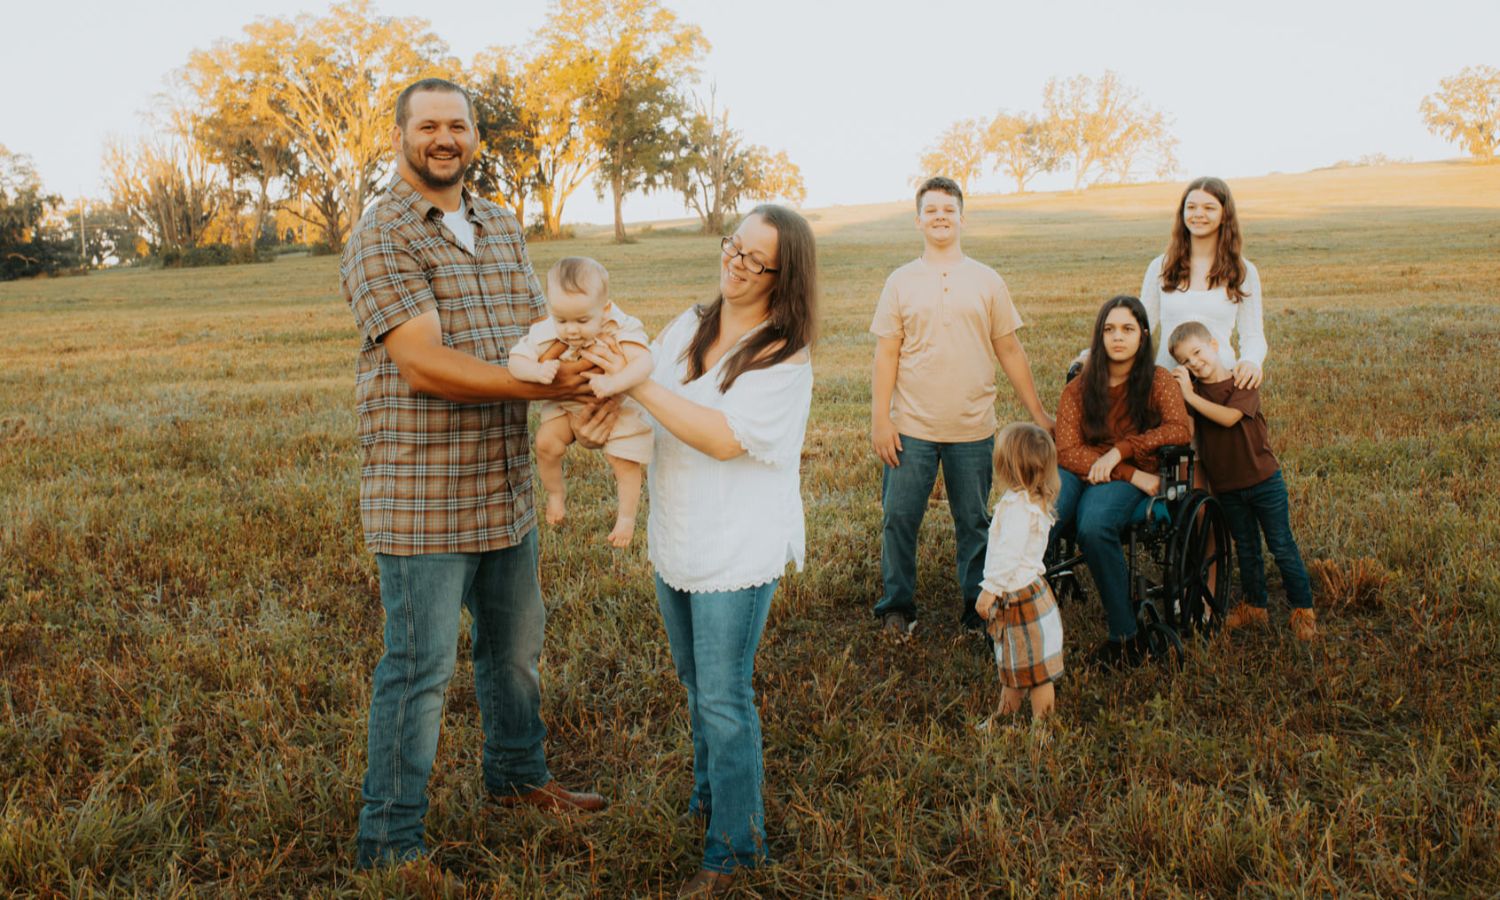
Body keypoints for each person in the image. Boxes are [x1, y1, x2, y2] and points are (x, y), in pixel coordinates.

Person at [340, 78, 604, 870]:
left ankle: (518, 779)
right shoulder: (383, 234)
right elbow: (423, 364)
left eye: (458, 124)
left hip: (505, 486)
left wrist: (589, 379)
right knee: (420, 671)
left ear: (476, 137)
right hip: (423, 493)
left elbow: (535, 333)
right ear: (400, 137)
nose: (444, 137)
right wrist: (542, 388)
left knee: (514, 652)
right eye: (428, 126)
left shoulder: (499, 223)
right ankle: (388, 840)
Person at [579, 205, 815, 898]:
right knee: (695, 683)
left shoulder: (784, 355)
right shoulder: (690, 323)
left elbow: (718, 436)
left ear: (783, 275)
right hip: (678, 532)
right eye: (733, 247)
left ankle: (736, 850)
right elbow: (650, 412)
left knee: (724, 696)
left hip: (737, 546)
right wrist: (604, 421)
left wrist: (639, 386)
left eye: (754, 260)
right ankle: (710, 797)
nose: (735, 264)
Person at [870, 176, 1053, 639]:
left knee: (973, 522)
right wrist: (880, 420)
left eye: (948, 210)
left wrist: (1038, 413)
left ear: (962, 217)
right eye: (931, 210)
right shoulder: (900, 281)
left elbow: (1009, 349)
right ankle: (897, 605)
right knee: (899, 517)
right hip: (911, 426)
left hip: (972, 427)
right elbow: (886, 354)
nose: (940, 217)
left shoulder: (987, 280)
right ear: (918, 220)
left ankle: (976, 607)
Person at [1052, 295, 1191, 668]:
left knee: (1094, 525)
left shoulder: (1157, 381)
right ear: (1099, 336)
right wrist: (1124, 469)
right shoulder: (1080, 387)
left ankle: (1126, 637)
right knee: (1045, 514)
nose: (1118, 337)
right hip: (1093, 470)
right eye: (1109, 329)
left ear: (1143, 336)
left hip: (1128, 474)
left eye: (1127, 329)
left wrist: (1125, 450)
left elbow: (1179, 430)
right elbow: (1066, 450)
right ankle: (1021, 618)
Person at [1167, 321, 1317, 640]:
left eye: (1197, 352)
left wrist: (1188, 396)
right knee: (1246, 548)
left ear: (1214, 345)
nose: (1195, 362)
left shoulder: (1241, 379)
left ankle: (1303, 609)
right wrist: (1177, 395)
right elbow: (1189, 433)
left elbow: (1229, 418)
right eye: (1185, 361)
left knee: (1281, 545)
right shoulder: (1191, 394)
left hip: (1264, 480)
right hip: (1228, 486)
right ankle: (1255, 606)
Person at [509, 256, 654, 547]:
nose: (571, 330)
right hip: (566, 406)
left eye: (582, 320)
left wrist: (614, 382)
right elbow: (516, 359)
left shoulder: (618, 326)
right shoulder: (549, 329)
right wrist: (536, 370)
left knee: (624, 461)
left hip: (615, 405)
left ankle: (626, 518)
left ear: (605, 309)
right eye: (561, 319)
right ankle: (555, 493)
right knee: (546, 443)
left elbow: (644, 362)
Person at [1140, 176, 1267, 390]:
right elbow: (1141, 328)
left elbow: (1253, 334)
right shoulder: (1160, 267)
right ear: (1182, 214)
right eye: (1191, 207)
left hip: (1220, 384)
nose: (1198, 214)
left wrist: (1251, 361)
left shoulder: (1243, 271)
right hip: (1169, 384)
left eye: (1209, 207)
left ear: (1225, 215)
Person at [975, 423, 1064, 725]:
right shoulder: (1032, 501)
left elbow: (1008, 555)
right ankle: (1004, 716)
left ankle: (1043, 727)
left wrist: (990, 590)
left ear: (1006, 467)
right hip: (1031, 593)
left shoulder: (1016, 508)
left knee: (1037, 674)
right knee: (1016, 663)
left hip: (1017, 596)